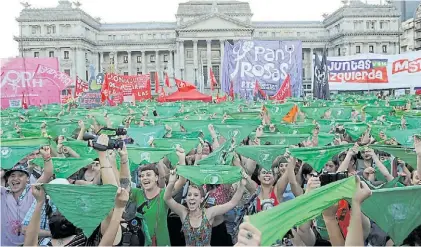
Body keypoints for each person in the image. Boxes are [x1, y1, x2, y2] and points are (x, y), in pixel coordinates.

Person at [164, 170, 246, 246]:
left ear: (201, 199)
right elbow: (167, 198)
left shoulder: (208, 213)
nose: (192, 197)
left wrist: (242, 185)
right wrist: (171, 182)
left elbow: (232, 203)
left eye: (196, 195)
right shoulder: (183, 212)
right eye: (189, 195)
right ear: (186, 199)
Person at [1, 146, 53, 246]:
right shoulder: (2, 193)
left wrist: (46, 157)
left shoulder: (32, 191)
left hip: (28, 244)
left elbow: (48, 174)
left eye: (20, 175)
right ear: (7, 180)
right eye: (12, 175)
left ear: (28, 179)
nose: (15, 178)